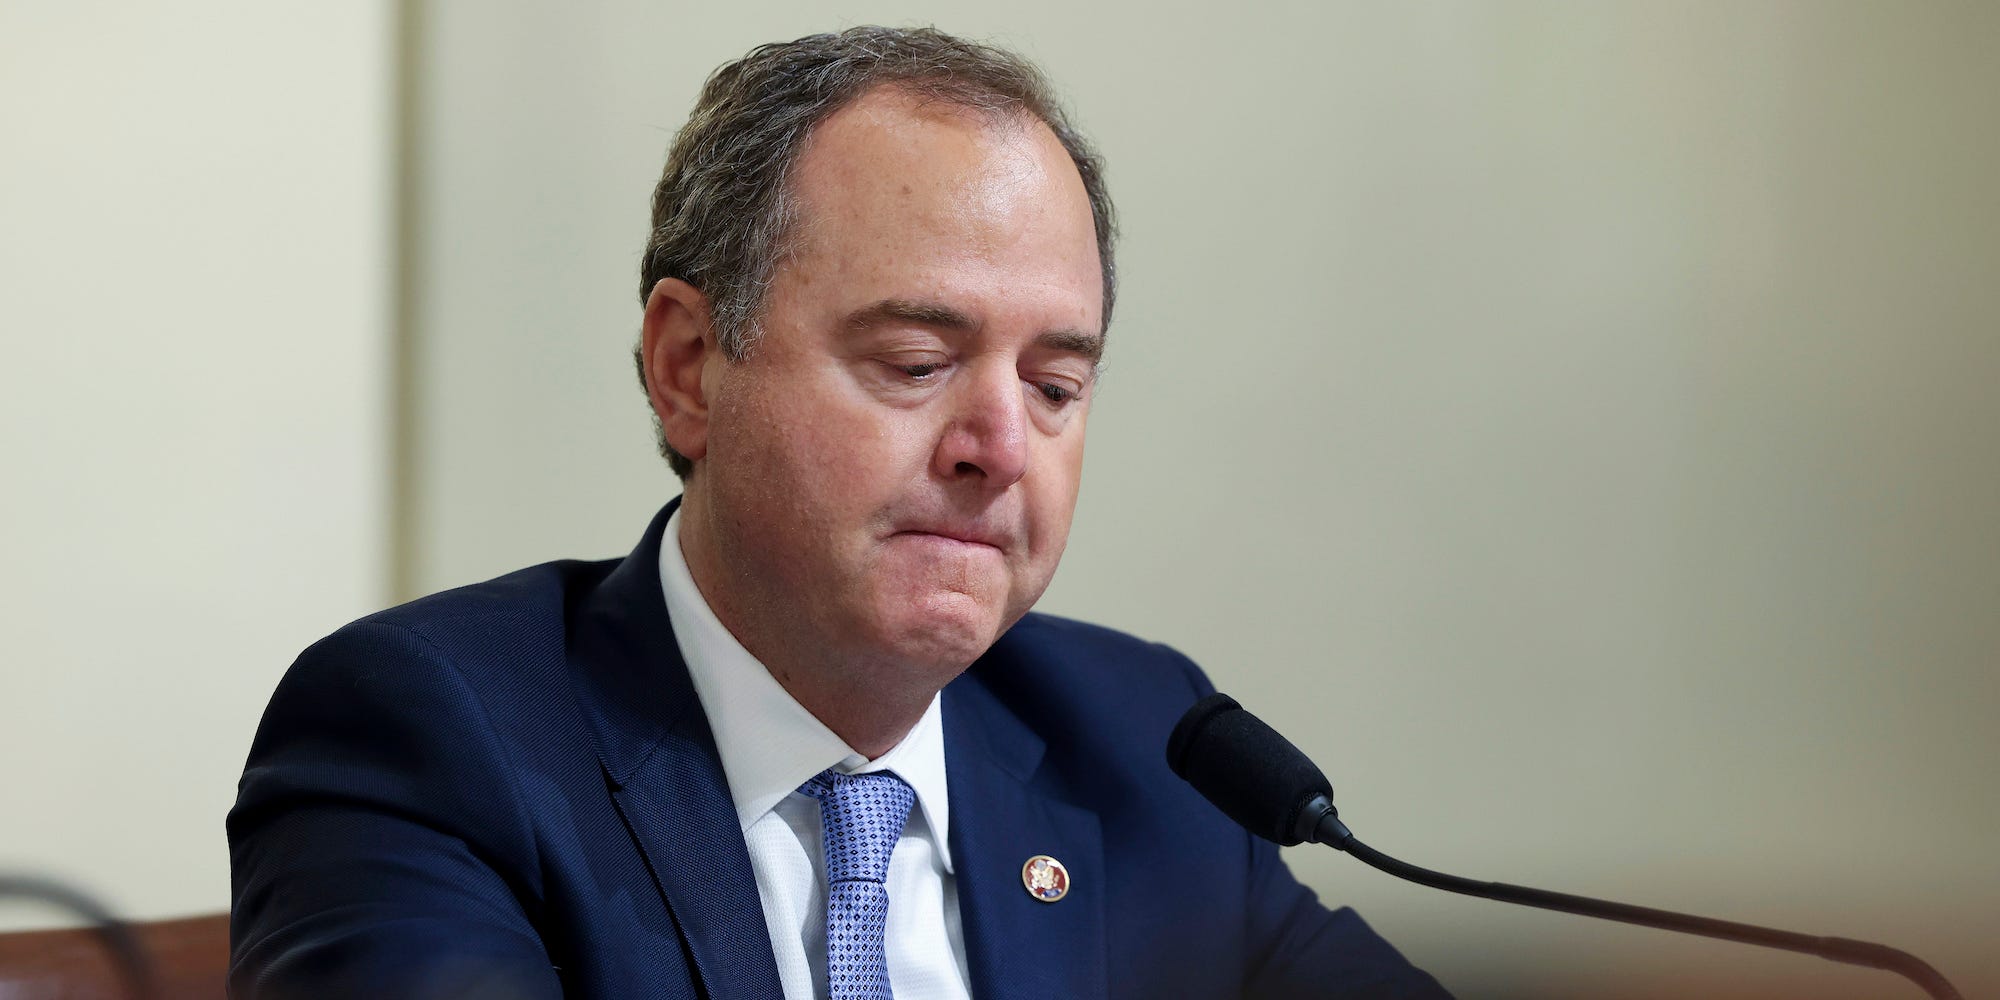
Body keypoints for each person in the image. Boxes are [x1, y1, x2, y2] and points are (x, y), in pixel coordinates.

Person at [228, 25, 1452, 1000]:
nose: (997, 450)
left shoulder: (1145, 747)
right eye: (916, 361)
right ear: (689, 364)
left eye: (1054, 386)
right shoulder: (431, 739)